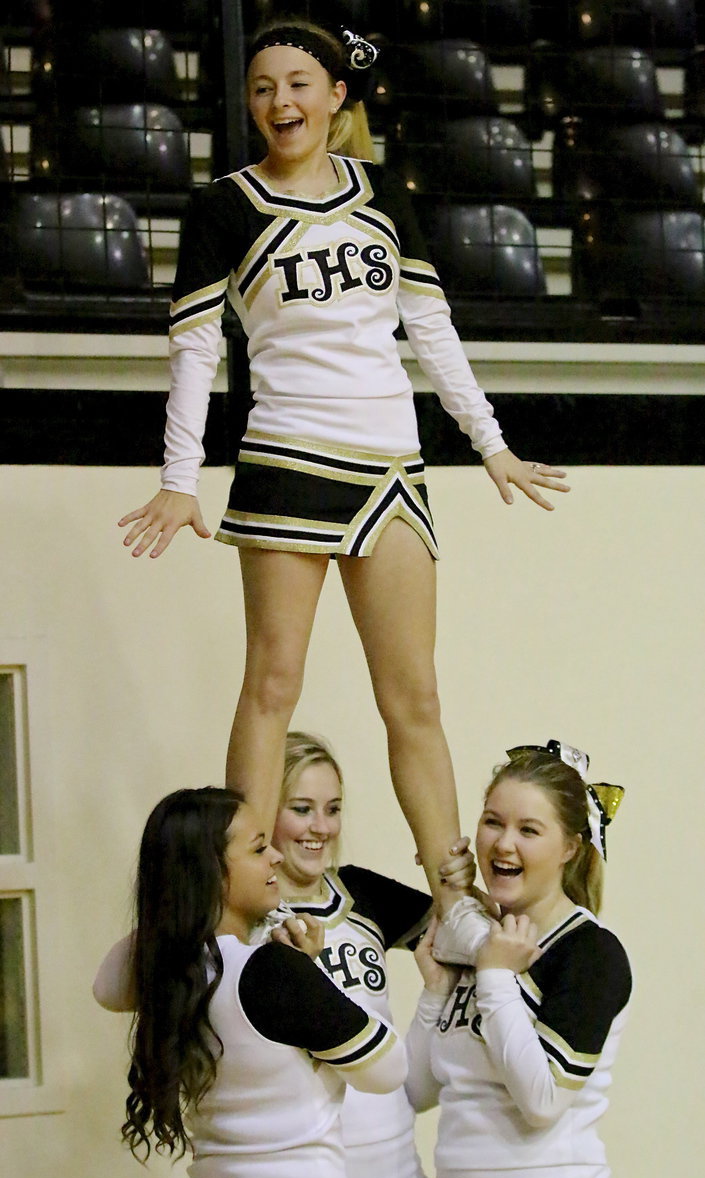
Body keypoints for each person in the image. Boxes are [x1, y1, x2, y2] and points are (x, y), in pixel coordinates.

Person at [116, 19, 570, 913]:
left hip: (391, 463)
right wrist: (179, 477)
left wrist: (490, 442)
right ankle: (248, 892)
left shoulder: (383, 193)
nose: (279, 101)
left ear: (335, 97)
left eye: (296, 84)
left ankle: (453, 901)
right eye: (261, 88)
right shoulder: (223, 207)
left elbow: (429, 332)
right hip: (287, 454)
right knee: (271, 685)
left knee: (415, 698)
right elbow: (194, 351)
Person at [93, 731, 475, 1178]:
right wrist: (187, 886)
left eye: (333, 809)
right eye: (301, 809)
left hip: (391, 1177)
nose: (321, 827)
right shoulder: (235, 932)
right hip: (301, 1176)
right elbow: (111, 989)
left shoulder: (361, 892)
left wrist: (450, 868)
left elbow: (467, 937)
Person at [405, 740, 632, 1178]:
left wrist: (493, 977)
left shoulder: (591, 953)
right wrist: (435, 992)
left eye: (529, 830)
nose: (503, 843)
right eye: (492, 822)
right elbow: (416, 1092)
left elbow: (543, 1102)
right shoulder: (478, 941)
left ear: (570, 846)